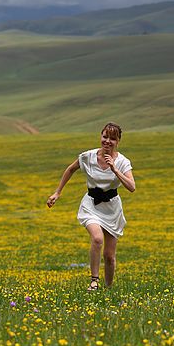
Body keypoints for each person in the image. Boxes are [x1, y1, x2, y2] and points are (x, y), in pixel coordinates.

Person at [46, 122, 135, 290]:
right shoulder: (87, 156)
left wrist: (115, 170)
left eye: (112, 139)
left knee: (109, 256)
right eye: (105, 137)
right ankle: (94, 281)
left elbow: (132, 187)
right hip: (91, 205)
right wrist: (57, 192)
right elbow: (71, 169)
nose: (107, 141)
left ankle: (108, 289)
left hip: (112, 208)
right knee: (97, 238)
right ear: (100, 137)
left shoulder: (123, 162)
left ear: (118, 141)